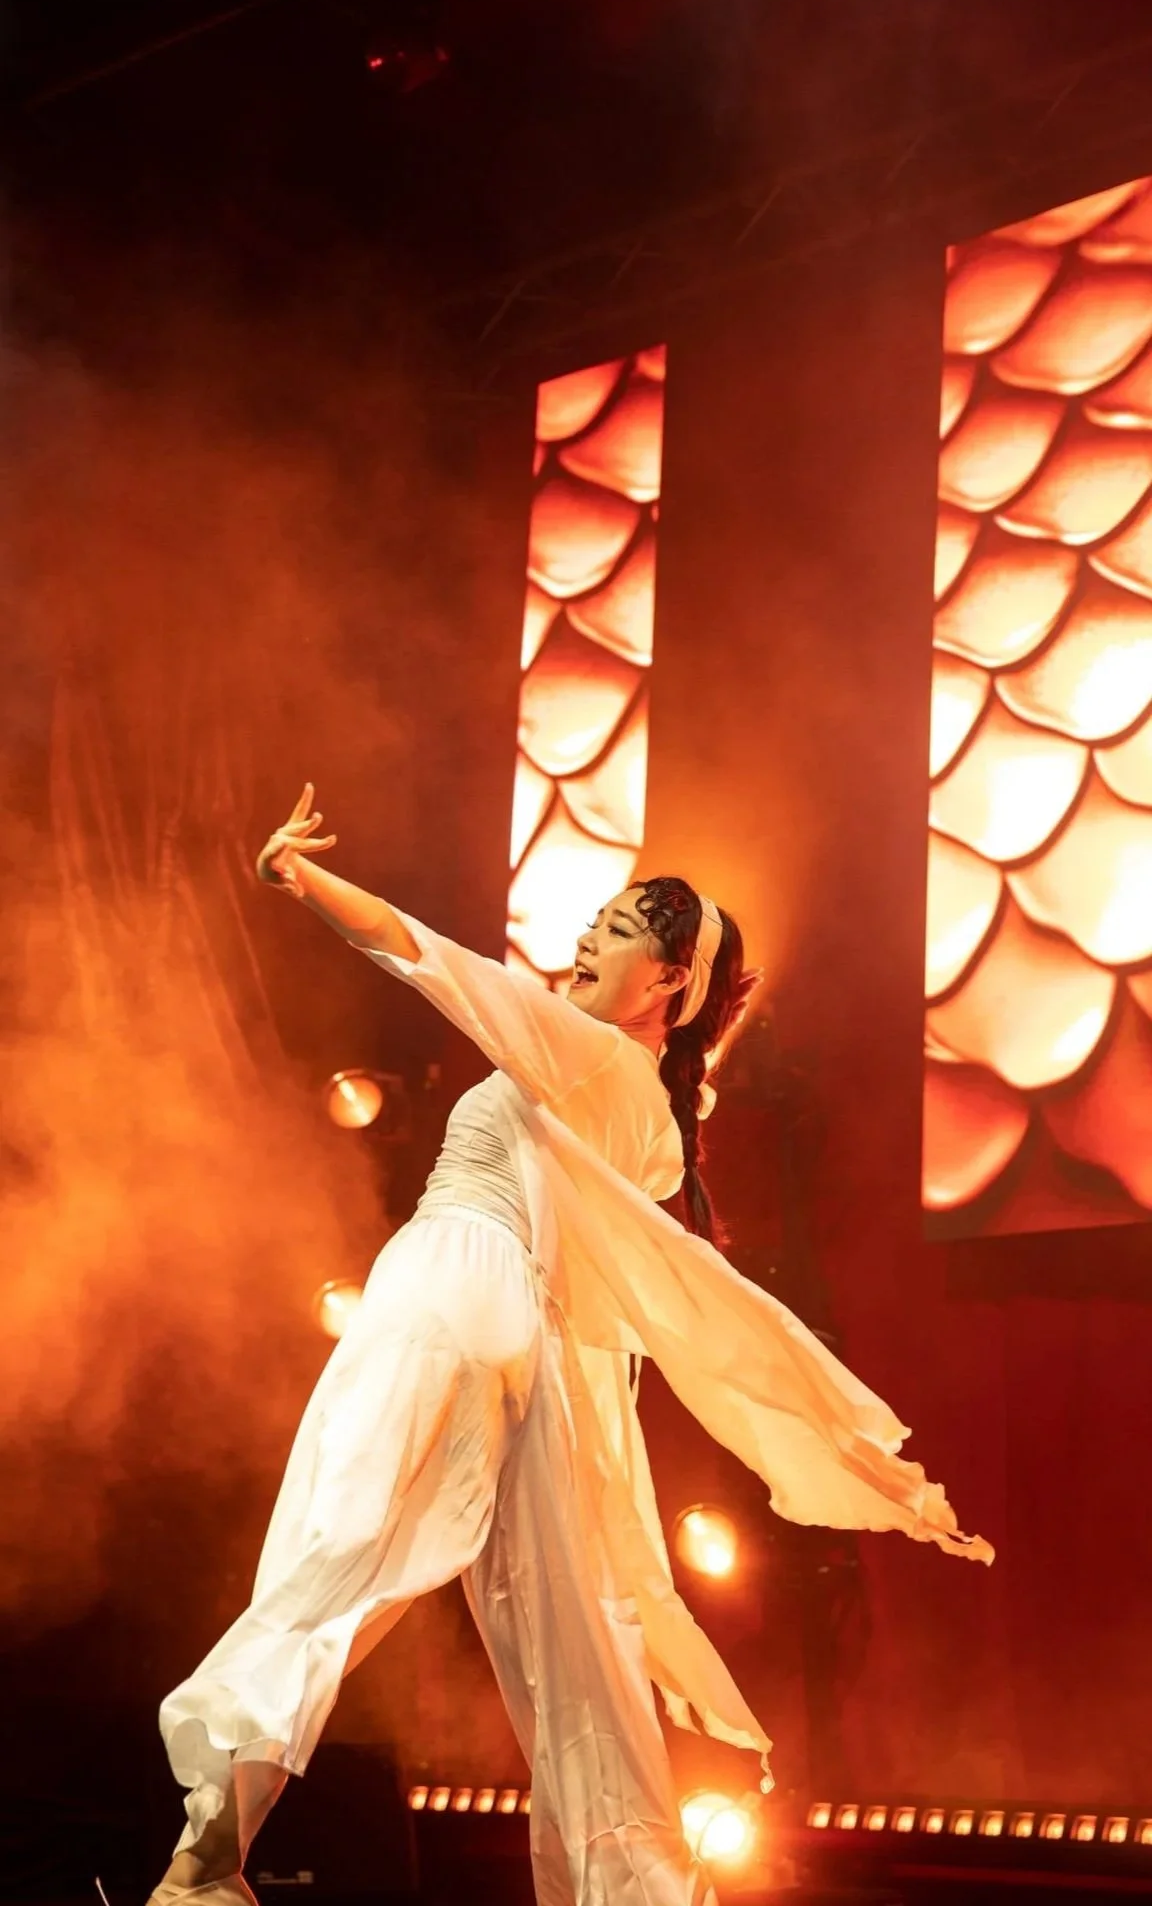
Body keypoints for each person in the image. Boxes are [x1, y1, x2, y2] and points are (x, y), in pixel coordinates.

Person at [149, 785, 992, 1906]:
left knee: (339, 1547)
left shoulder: (594, 1055)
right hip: (530, 1338)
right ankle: (623, 1885)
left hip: (454, 1290)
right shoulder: (651, 1109)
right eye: (600, 918)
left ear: (671, 984)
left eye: (624, 926)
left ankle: (206, 1860)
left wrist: (297, 877)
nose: (590, 936)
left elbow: (431, 957)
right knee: (576, 1636)